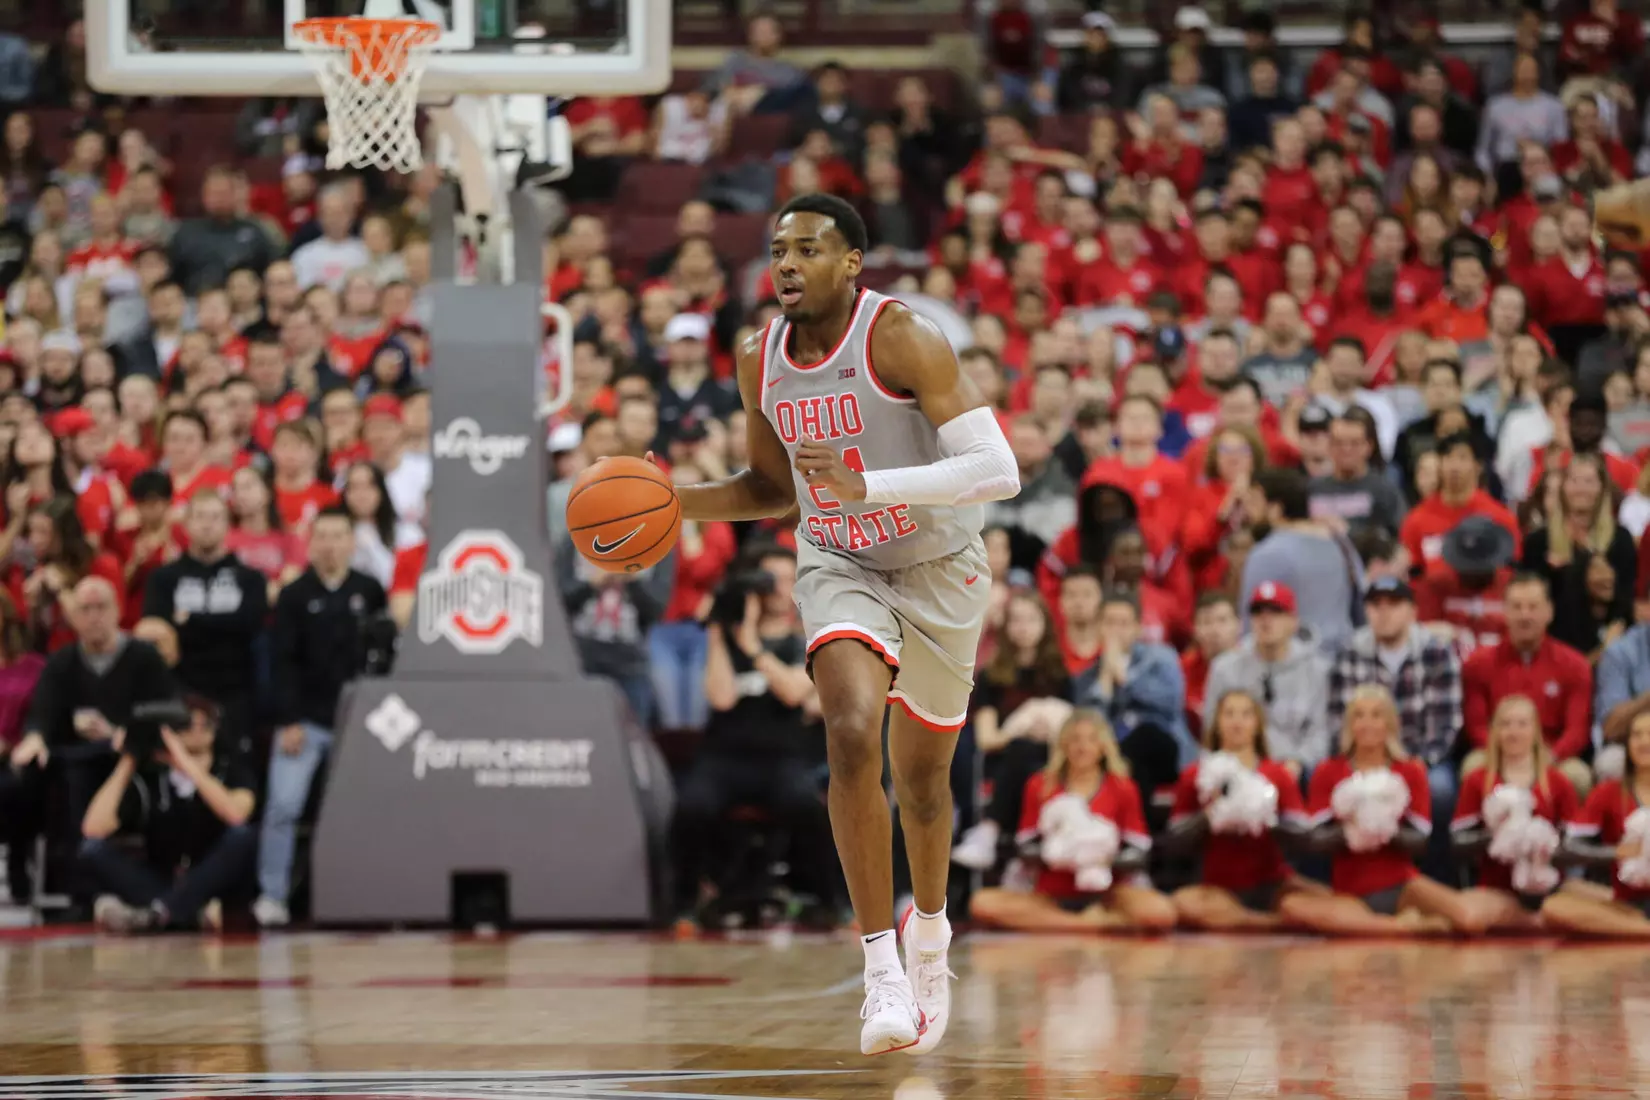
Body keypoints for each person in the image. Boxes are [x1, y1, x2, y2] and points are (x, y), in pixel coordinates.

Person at [665, 194, 1020, 1056]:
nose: (786, 264)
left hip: (939, 571)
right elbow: (772, 489)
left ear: (851, 263)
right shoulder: (760, 359)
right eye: (778, 250)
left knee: (926, 782)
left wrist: (872, 484)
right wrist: (673, 504)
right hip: (840, 561)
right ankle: (880, 968)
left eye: (808, 249)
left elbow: (998, 468)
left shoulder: (900, 335)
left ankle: (928, 936)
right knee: (853, 732)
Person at [670, 543, 837, 927]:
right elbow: (721, 698)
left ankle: (824, 899)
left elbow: (795, 692)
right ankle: (683, 900)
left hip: (782, 758)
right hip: (724, 757)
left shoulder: (805, 640)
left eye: (785, 579)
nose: (777, 588)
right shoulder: (728, 639)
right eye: (769, 580)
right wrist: (717, 632)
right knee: (692, 805)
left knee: (806, 805)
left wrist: (753, 646)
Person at [255, 507, 385, 928]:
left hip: (358, 725)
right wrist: (288, 719)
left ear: (352, 542)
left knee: (369, 808)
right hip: (305, 722)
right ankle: (272, 895)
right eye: (322, 536)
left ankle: (370, 893)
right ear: (310, 543)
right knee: (282, 806)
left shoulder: (370, 590)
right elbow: (282, 663)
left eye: (337, 536)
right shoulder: (294, 596)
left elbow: (381, 660)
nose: (329, 545)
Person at [1280, 684, 1482, 935]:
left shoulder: (1411, 770)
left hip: (1403, 884)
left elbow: (1420, 842)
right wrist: (1353, 829)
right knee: (1291, 907)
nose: (1367, 724)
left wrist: (1384, 828)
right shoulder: (1327, 771)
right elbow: (1315, 841)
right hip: (1350, 892)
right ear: (1349, 725)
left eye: (1376, 715)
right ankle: (1403, 927)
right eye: (1359, 715)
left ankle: (1374, 927)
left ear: (1389, 723)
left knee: (1469, 919)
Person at [966, 710, 1177, 933]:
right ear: (1063, 744)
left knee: (1162, 912)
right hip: (1049, 892)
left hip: (1108, 893)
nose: (1082, 747)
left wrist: (1100, 855)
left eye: (1091, 739)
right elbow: (1024, 846)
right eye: (1075, 739)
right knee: (981, 904)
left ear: (1104, 745)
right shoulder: (1040, 785)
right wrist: (1060, 854)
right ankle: (1094, 925)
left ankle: (1061, 924)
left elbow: (1139, 850)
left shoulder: (1123, 787)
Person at [79, 694, 257, 932]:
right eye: (186, 724)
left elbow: (236, 815)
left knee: (242, 836)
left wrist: (184, 761)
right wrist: (129, 758)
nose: (198, 729)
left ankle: (159, 911)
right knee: (92, 850)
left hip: (213, 881)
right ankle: (180, 911)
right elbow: (93, 829)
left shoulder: (231, 770)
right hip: (163, 879)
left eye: (206, 723)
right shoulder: (153, 776)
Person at [1167, 689, 1325, 930]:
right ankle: (1270, 924)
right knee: (1182, 904)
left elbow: (1305, 838)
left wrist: (1266, 818)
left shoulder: (1278, 775)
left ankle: (1251, 921)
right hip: (1216, 887)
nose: (1237, 722)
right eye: (1229, 714)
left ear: (1257, 724)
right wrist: (1209, 817)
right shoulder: (1195, 775)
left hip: (1273, 883)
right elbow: (1173, 841)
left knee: (1320, 901)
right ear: (1217, 723)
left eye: (1245, 714)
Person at [1451, 695, 1580, 932]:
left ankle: (1539, 917)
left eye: (1522, 724)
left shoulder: (1557, 782)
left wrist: (1541, 845)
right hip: (1494, 888)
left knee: (1576, 906)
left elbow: (1575, 846)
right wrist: (1500, 838)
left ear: (1536, 732)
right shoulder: (1478, 780)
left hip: (1549, 890)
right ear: (1495, 732)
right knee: (1465, 912)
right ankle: (1533, 922)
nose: (1513, 732)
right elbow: (1458, 843)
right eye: (1505, 724)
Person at [1543, 708, 1650, 938]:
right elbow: (1565, 850)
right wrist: (1615, 852)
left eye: (1649, 734)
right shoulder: (1609, 792)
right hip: (1628, 904)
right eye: (1636, 735)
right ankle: (1643, 929)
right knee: (1556, 904)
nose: (1643, 742)